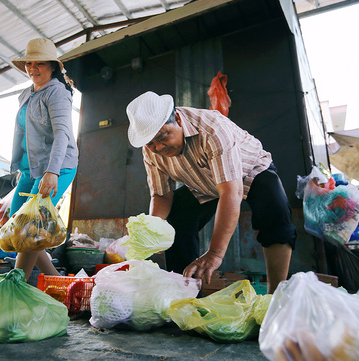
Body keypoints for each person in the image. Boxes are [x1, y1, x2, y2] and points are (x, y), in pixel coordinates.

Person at [126, 91, 296, 294]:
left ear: (178, 119)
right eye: (151, 143)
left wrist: (215, 254)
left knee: (275, 210)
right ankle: (183, 293)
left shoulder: (212, 128)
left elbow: (230, 192)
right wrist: (151, 231)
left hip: (250, 168)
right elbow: (162, 195)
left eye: (163, 137)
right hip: (203, 183)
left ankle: (275, 296)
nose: (159, 147)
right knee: (177, 217)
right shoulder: (151, 150)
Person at [0, 38, 78, 279]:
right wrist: (19, 166)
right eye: (29, 63)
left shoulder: (57, 93)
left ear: (52, 66)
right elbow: (22, 133)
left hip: (56, 168)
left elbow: (62, 134)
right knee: (18, 226)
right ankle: (57, 281)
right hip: (30, 169)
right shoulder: (26, 94)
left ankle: (15, 283)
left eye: (39, 64)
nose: (33, 68)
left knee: (27, 229)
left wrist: (52, 172)